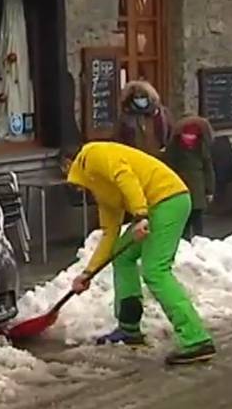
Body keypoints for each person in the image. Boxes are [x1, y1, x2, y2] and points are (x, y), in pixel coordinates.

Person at [67, 141, 216, 366]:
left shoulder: (92, 154)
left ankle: (196, 339)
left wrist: (139, 215)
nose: (79, 190)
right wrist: (87, 273)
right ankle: (129, 326)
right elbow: (109, 234)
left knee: (155, 269)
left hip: (169, 199)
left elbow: (124, 175)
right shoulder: (103, 192)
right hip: (153, 207)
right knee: (121, 254)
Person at [164, 115, 216, 239]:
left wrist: (210, 190)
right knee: (184, 218)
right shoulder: (174, 148)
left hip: (198, 187)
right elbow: (169, 167)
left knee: (197, 217)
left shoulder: (202, 147)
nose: (189, 137)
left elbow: (208, 170)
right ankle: (184, 240)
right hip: (181, 185)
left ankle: (199, 240)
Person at [117, 81, 171, 158]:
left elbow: (170, 134)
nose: (140, 100)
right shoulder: (126, 117)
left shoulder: (161, 114)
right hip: (134, 157)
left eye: (143, 96)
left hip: (158, 158)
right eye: (136, 97)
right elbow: (119, 138)